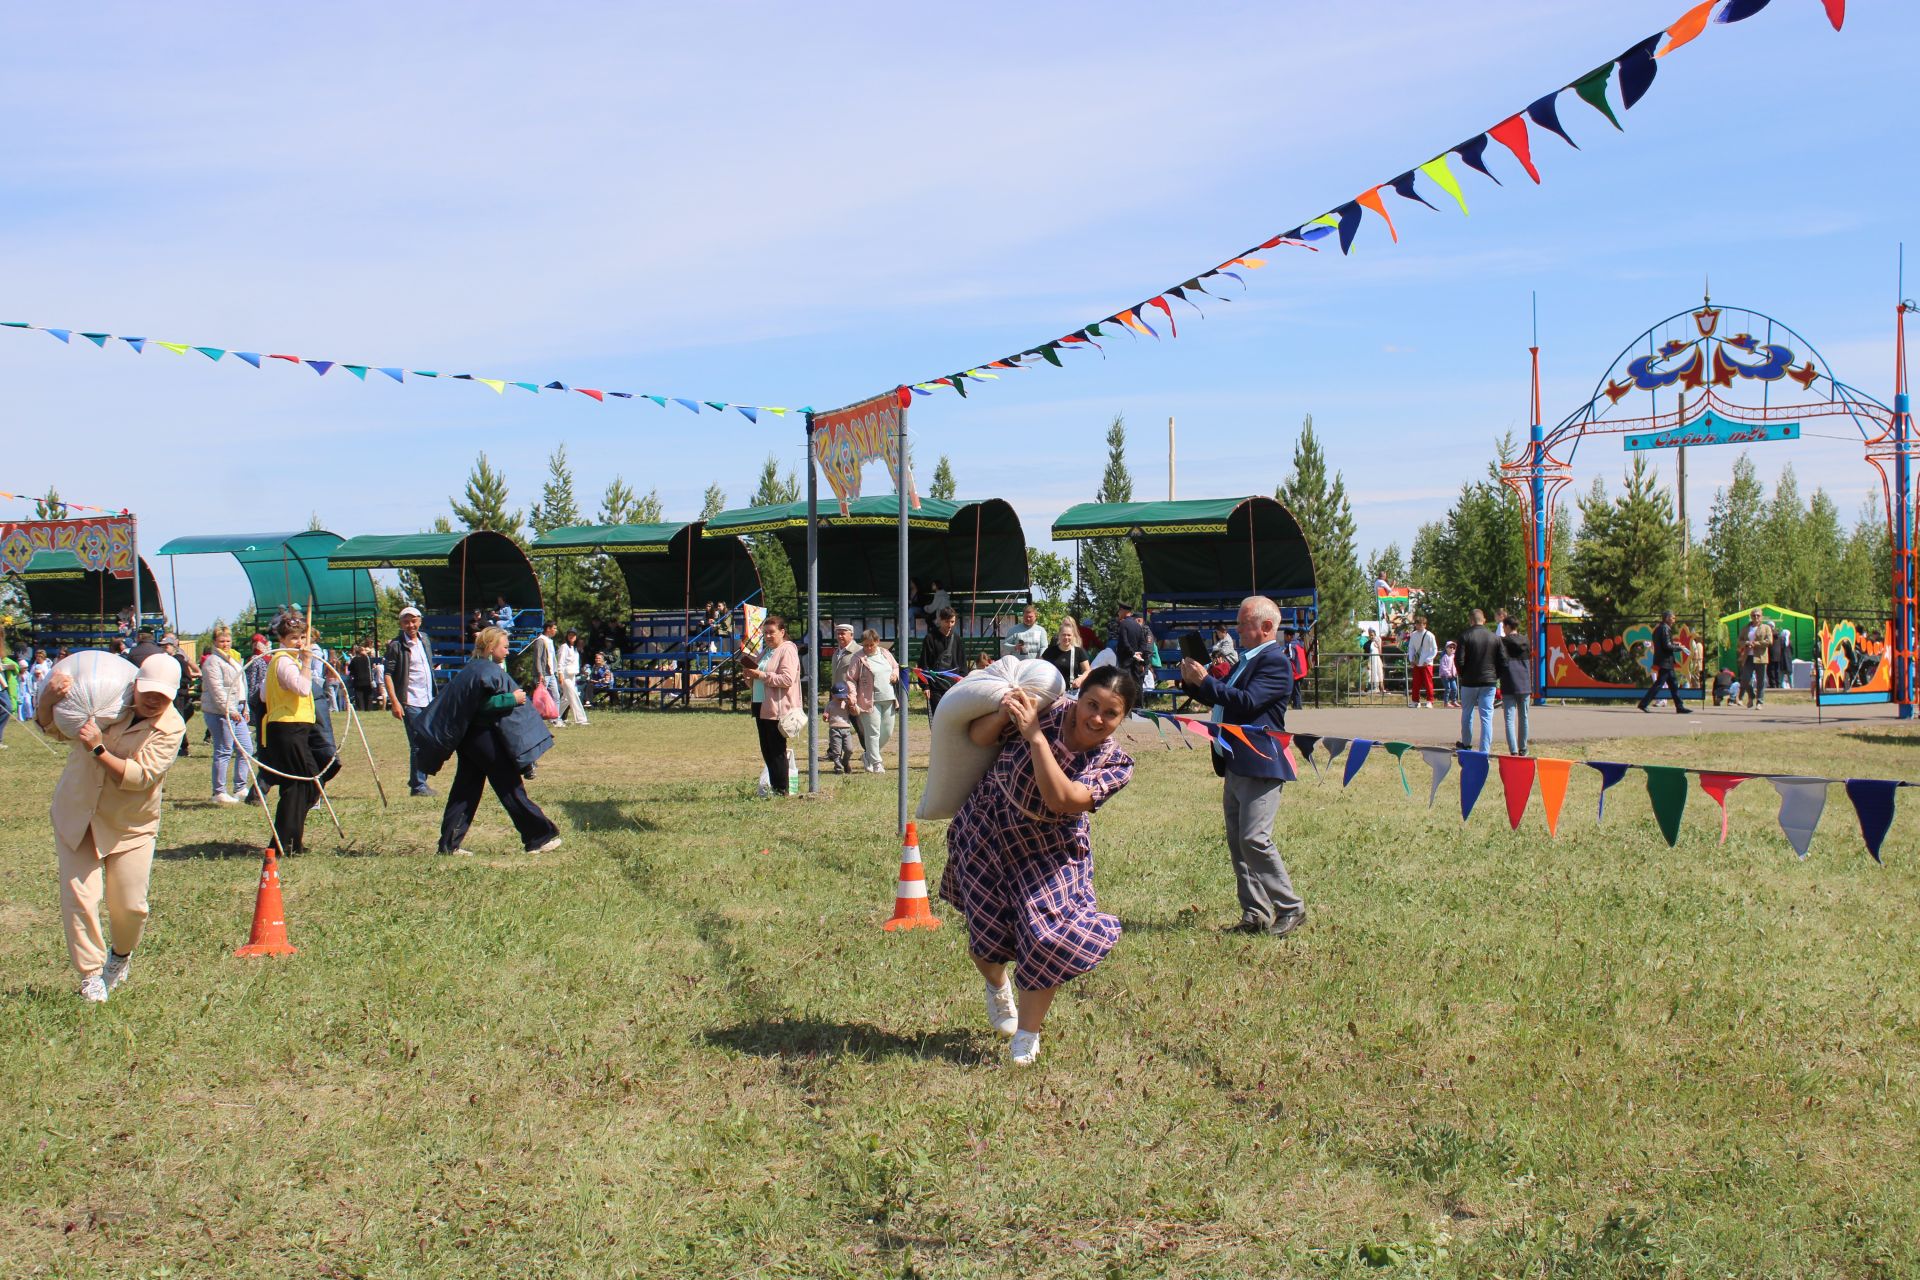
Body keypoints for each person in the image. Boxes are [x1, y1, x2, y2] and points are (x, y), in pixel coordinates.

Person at [939, 666, 1138, 1066]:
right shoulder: (1046, 709)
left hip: (1051, 851)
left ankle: (1027, 1036)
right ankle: (997, 987)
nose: (1096, 718)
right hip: (988, 830)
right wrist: (1006, 714)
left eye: (1110, 713)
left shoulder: (1116, 764)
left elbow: (1060, 800)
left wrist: (1034, 737)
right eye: (1091, 704)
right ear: (1079, 699)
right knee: (986, 943)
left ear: (1123, 717)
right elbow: (979, 738)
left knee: (1049, 937)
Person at [35, 654, 187, 1002]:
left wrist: (98, 748)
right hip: (78, 814)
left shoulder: (172, 727)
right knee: (80, 898)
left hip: (130, 825)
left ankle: (120, 957)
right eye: (147, 691)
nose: (152, 700)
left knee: (131, 906)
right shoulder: (105, 699)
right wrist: (48, 698)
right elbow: (53, 728)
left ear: (174, 695)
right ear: (135, 684)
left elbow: (141, 776)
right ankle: (90, 975)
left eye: (162, 696)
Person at [1178, 595, 1304, 938]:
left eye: (1243, 623)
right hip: (1235, 760)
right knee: (1238, 842)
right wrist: (1195, 681)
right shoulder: (1248, 659)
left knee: (1254, 838)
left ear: (1266, 627)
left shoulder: (1275, 662)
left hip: (1261, 762)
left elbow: (1248, 704)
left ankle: (1290, 907)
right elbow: (1224, 699)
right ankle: (1255, 915)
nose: (1237, 629)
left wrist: (1206, 681)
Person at [417, 626, 561, 856]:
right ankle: (538, 836)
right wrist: (511, 699)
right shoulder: (484, 671)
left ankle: (448, 844)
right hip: (482, 738)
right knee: (509, 785)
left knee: (465, 790)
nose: (507, 651)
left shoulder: (474, 668)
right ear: (492, 647)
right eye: (504, 647)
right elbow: (480, 707)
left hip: (469, 739)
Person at [258, 613, 340, 857]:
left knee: (308, 782)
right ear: (282, 638)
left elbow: (264, 693)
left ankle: (287, 841)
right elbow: (303, 688)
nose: (299, 642)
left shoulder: (282, 661)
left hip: (293, 728)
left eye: (302, 637)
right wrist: (305, 663)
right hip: (287, 728)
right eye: (293, 637)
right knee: (300, 784)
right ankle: (287, 844)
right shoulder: (283, 661)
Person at [740, 614, 799, 796]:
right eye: (765, 633)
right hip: (760, 704)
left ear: (782, 632)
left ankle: (782, 790)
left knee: (776, 750)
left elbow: (787, 679)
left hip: (776, 707)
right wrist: (749, 676)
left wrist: (761, 675)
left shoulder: (787, 650)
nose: (767, 636)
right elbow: (757, 678)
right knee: (766, 749)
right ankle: (775, 787)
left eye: (771, 632)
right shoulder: (765, 651)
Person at [199, 625, 256, 804]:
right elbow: (217, 690)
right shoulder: (212, 662)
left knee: (246, 749)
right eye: (221, 641)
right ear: (215, 642)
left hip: (238, 710)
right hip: (219, 713)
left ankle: (240, 787)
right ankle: (219, 792)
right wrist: (229, 710)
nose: (225, 644)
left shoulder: (233, 659)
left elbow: (240, 685)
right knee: (223, 750)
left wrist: (244, 707)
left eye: (228, 640)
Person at [383, 607, 437, 796]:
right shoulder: (396, 646)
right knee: (418, 742)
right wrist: (395, 702)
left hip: (427, 699)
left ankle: (417, 779)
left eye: (414, 620)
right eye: (406, 621)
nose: (410, 625)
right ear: (401, 624)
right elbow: (387, 675)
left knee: (429, 741)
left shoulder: (425, 640)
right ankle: (418, 785)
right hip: (410, 700)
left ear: (420, 621)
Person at [852, 629, 901, 774]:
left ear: (877, 642)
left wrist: (895, 675)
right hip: (869, 701)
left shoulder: (885, 653)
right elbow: (851, 679)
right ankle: (877, 763)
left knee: (887, 731)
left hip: (889, 698)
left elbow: (896, 667)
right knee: (873, 732)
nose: (868, 648)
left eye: (871, 645)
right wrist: (853, 698)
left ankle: (868, 755)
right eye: (865, 645)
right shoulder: (858, 658)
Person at [1454, 609, 1500, 751]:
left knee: (1467, 713)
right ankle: (1485, 749)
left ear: (1471, 620)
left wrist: (1463, 674)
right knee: (1486, 716)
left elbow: (1459, 659)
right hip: (1489, 681)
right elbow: (1502, 660)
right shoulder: (1494, 637)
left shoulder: (1465, 636)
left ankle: (1466, 744)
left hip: (1469, 681)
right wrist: (1495, 676)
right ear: (1484, 620)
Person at [1639, 610, 1692, 715]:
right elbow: (1667, 646)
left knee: (1673, 685)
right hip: (1665, 661)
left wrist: (1675, 644)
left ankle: (1679, 706)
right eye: (1672, 618)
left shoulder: (1659, 628)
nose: (1674, 621)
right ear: (1667, 618)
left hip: (1664, 661)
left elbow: (1663, 643)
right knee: (1659, 684)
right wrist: (1679, 647)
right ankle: (1643, 703)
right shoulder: (1665, 629)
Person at [1497, 612, 1531, 755]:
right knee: (1524, 717)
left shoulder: (1503, 642)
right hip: (1524, 683)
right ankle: (1523, 748)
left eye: (1504, 626)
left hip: (1509, 682)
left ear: (1508, 626)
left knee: (1509, 719)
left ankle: (1513, 751)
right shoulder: (1526, 640)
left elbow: (1499, 660)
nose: (1503, 629)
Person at [918, 606, 963, 716]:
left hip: (954, 687)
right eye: (947, 621)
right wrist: (925, 686)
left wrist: (963, 682)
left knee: (953, 719)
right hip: (935, 687)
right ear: (940, 620)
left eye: (952, 621)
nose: (950, 625)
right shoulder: (930, 638)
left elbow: (962, 664)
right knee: (938, 717)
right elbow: (924, 663)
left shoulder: (957, 639)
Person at [1739, 608, 1774, 708]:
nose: (1756, 617)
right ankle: (1751, 695)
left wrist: (1756, 644)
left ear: (1761, 617)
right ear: (1751, 616)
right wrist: (1746, 643)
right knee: (1745, 679)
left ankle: (1759, 702)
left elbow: (1769, 641)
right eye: (1754, 615)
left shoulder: (1766, 627)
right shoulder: (1746, 628)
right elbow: (1739, 640)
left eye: (1758, 615)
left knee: (1760, 680)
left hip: (1760, 657)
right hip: (1748, 656)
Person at [1110, 602, 1151, 684]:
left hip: (1126, 664)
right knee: (1137, 686)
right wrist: (1139, 654)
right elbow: (1143, 643)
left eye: (1119, 610)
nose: (1118, 613)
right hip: (1136, 663)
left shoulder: (1123, 624)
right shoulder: (1137, 625)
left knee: (1126, 687)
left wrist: (1133, 654)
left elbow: (1125, 642)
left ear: (1123, 611)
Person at [532, 620, 562, 728]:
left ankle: (555, 719)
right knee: (541, 698)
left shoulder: (550, 641)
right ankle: (538, 721)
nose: (555, 630)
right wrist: (540, 673)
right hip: (543, 674)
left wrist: (556, 671)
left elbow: (552, 658)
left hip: (551, 673)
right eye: (554, 628)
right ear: (548, 629)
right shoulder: (540, 640)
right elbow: (538, 658)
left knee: (556, 695)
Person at [1042, 623, 1089, 689]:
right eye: (1063, 635)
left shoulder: (1079, 651)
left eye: (1069, 635)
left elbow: (1087, 670)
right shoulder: (1050, 651)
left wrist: (1080, 679)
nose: (1066, 637)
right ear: (1059, 635)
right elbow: (1040, 666)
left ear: (1073, 636)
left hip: (1071, 692)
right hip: (1052, 691)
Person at [1405, 615, 1438, 709]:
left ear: (1425, 625)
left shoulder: (1430, 635)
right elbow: (1411, 648)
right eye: (1417, 624)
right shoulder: (1414, 634)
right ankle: (1415, 701)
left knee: (1428, 683)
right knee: (1416, 683)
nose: (1418, 626)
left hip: (1427, 663)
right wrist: (1411, 659)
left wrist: (1428, 660)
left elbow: (1435, 649)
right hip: (1417, 662)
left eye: (1420, 624)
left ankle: (1430, 701)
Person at [558, 629, 588, 727]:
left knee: (566, 699)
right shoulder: (564, 647)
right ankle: (581, 719)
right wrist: (560, 674)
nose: (572, 637)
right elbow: (561, 662)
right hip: (565, 676)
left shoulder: (574, 648)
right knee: (574, 695)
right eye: (570, 635)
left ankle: (554, 717)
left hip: (572, 675)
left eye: (574, 635)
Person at [1437, 640, 1459, 708]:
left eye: (1454, 648)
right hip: (1445, 676)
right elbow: (1443, 667)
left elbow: (1455, 666)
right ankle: (1446, 703)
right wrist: (1448, 673)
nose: (1452, 649)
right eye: (1450, 647)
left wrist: (1456, 672)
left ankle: (1454, 701)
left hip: (1452, 676)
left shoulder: (1454, 657)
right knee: (1448, 688)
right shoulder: (1444, 657)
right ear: (1446, 648)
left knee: (1455, 688)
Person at [1363, 630, 1384, 695]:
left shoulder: (1377, 642)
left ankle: (1381, 690)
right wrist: (1367, 662)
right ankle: (1368, 689)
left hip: (1377, 660)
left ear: (1375, 635)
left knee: (1379, 674)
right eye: (1370, 635)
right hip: (1370, 661)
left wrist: (1378, 645)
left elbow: (1380, 653)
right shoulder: (1367, 644)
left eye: (1372, 635)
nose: (1371, 636)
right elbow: (1366, 655)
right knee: (1369, 675)